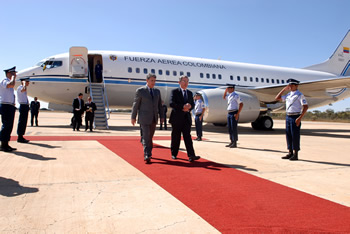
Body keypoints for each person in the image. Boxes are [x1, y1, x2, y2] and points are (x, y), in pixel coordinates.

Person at [131, 73, 164, 163]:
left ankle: (148, 151)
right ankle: (147, 154)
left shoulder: (157, 91)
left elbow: (159, 106)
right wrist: (133, 117)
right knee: (146, 136)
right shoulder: (140, 91)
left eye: (154, 81)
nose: (153, 82)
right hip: (144, 118)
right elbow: (136, 105)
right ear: (147, 80)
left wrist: (162, 117)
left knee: (150, 137)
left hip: (153, 118)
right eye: (151, 80)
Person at [275, 78, 308, 161]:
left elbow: (305, 106)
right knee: (288, 135)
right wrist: (283, 89)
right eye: (289, 85)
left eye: (291, 85)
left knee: (295, 135)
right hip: (288, 116)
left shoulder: (299, 95)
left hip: (295, 116)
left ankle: (296, 154)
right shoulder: (288, 95)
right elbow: (277, 98)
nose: (289, 86)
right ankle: (290, 152)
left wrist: (299, 118)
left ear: (296, 86)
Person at [169, 75, 200, 162]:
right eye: (184, 81)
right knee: (176, 137)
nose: (186, 83)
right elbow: (171, 103)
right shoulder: (175, 92)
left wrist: (189, 107)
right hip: (176, 118)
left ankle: (191, 155)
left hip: (186, 118)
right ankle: (174, 154)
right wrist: (183, 106)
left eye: (187, 81)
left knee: (188, 137)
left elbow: (193, 104)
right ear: (179, 82)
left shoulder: (190, 93)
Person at [0, 66, 17, 152]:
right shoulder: (4, 81)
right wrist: (13, 77)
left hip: (10, 106)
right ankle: (3, 145)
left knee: (9, 126)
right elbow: (11, 84)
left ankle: (6, 144)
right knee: (6, 125)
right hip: (5, 106)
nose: (15, 75)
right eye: (13, 73)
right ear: (8, 73)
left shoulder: (10, 83)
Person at [223, 84, 243, 148]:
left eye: (229, 88)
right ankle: (231, 141)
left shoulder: (236, 96)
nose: (228, 90)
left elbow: (241, 104)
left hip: (234, 112)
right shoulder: (229, 96)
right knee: (230, 128)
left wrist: (237, 114)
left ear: (232, 89)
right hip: (229, 113)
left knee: (234, 128)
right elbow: (223, 97)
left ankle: (235, 143)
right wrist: (225, 91)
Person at [16, 77, 30, 143]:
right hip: (23, 106)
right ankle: (19, 137)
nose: (28, 83)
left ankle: (21, 136)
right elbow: (23, 89)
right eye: (27, 82)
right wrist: (24, 84)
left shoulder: (24, 88)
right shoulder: (20, 88)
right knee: (22, 122)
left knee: (24, 122)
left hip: (25, 106)